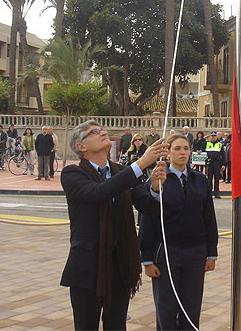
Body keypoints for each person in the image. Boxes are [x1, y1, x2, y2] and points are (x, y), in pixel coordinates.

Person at [60, 119, 168, 331]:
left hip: (119, 265)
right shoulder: (73, 174)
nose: (102, 132)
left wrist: (156, 189)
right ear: (81, 146)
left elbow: (148, 206)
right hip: (88, 267)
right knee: (85, 325)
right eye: (94, 132)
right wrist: (140, 164)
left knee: (117, 325)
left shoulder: (121, 171)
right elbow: (99, 192)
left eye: (102, 129)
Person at [139, 134, 217, 330]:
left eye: (186, 148)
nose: (182, 152)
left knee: (191, 306)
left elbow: (209, 217)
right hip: (167, 252)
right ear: (168, 153)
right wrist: (147, 258)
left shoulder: (200, 180)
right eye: (177, 148)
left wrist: (211, 253)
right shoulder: (158, 179)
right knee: (166, 306)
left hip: (195, 252)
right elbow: (147, 219)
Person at [205, 132, 223, 199]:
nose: (213, 137)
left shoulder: (220, 144)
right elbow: (198, 145)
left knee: (216, 179)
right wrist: (204, 138)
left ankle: (216, 193)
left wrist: (223, 164)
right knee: (209, 179)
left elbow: (223, 155)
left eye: (214, 136)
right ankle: (209, 193)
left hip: (217, 162)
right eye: (212, 136)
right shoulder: (207, 143)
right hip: (210, 163)